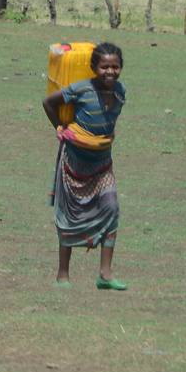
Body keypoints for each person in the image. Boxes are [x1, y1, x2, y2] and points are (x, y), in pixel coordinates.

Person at [43, 42, 126, 289]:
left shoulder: (121, 92)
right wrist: (60, 127)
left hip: (102, 163)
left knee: (111, 207)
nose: (110, 72)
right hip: (74, 162)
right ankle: (62, 275)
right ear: (93, 68)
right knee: (70, 215)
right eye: (104, 67)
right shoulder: (81, 89)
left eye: (115, 67)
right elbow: (48, 102)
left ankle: (105, 274)